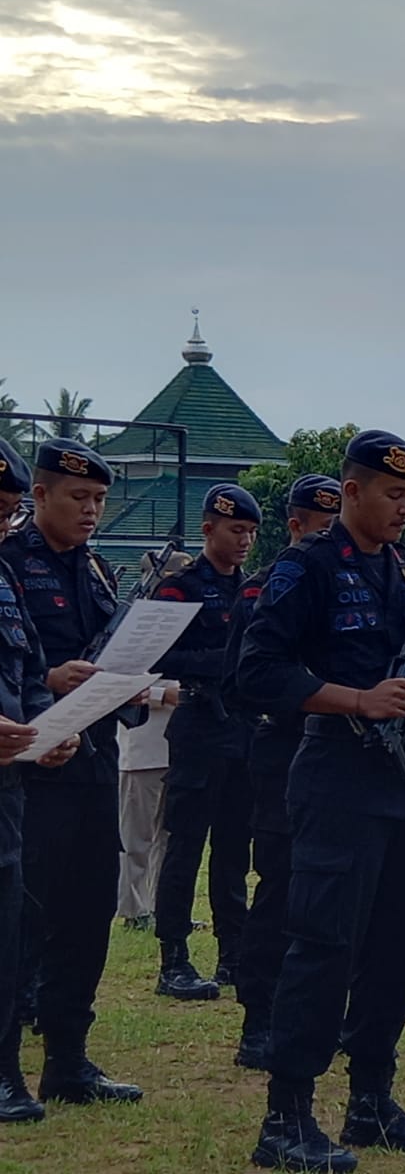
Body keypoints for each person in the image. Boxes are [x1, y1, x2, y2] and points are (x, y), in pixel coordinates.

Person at [239, 431, 405, 1172]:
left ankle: (370, 1099)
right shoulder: (307, 567)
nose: (404, 509)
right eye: (393, 495)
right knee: (323, 948)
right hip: (335, 778)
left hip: (403, 782)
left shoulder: (395, 572)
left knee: (397, 950)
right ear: (353, 491)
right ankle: (286, 1118)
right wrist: (355, 701)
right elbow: (259, 672)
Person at [1, 438, 143, 1106]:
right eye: (78, 498)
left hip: (91, 765)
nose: (91, 512)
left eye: (99, 501)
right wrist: (53, 684)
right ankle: (8, 1068)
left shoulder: (95, 572)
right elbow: (26, 669)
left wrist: (133, 686)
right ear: (39, 497)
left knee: (88, 915)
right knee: (25, 922)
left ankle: (69, 1060)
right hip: (30, 773)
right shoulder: (10, 565)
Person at [225, 474, 341, 1070]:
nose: (330, 537)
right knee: (277, 889)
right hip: (281, 750)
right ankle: (257, 1016)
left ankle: (316, 1012)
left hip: (338, 756)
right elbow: (243, 677)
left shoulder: (361, 581)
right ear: (294, 526)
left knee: (327, 894)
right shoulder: (266, 588)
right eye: (319, 526)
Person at [150, 483, 261, 1001]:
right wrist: (224, 663)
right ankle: (173, 958)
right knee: (186, 847)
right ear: (208, 529)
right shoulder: (180, 588)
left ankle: (233, 954)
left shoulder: (253, 590)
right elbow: (160, 657)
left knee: (234, 849)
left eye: (251, 533)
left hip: (242, 728)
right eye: (236, 530)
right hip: (198, 725)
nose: (243, 541)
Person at [0, 441, 81, 1124]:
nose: (1, 529)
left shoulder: (2, 579)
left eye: (4, 515)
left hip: (10, 787)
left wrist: (41, 731)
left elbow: (26, 672)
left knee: (13, 925)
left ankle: (15, 1071)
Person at [115, 677, 179, 929]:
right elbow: (121, 686)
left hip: (178, 748)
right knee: (135, 836)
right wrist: (161, 695)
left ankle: (161, 905)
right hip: (141, 751)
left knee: (168, 837)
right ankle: (133, 908)